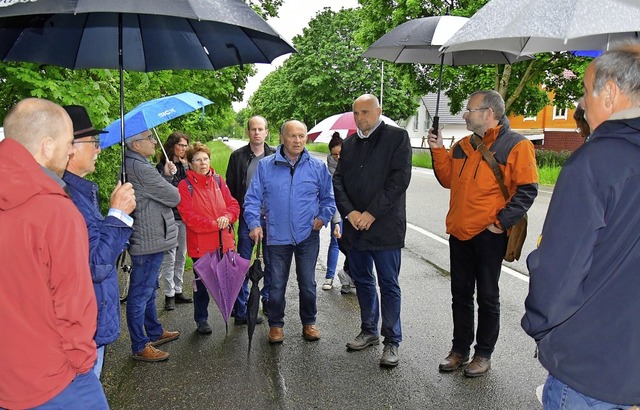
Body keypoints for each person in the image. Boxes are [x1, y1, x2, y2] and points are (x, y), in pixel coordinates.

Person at [522, 43, 640, 409]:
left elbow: (560, 269)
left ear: (609, 92)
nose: (582, 103)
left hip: (588, 370)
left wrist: (539, 326)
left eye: (586, 91)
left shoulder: (593, 163)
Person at [0, 98, 108, 409]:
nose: (70, 151)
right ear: (47, 146)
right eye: (67, 143)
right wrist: (82, 364)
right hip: (55, 381)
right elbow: (74, 304)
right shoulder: (56, 212)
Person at [428, 90, 538, 377]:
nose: (465, 114)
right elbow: (447, 179)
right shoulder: (464, 145)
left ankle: (483, 354)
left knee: (487, 297)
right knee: (460, 294)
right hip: (460, 232)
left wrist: (500, 223)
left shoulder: (517, 145)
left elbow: (527, 190)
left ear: (489, 113)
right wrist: (438, 149)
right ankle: (459, 349)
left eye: (469, 109)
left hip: (490, 234)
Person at [333, 94, 412, 368]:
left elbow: (399, 179)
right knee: (363, 281)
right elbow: (339, 179)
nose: (360, 118)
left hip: (386, 228)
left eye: (365, 112)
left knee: (388, 284)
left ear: (378, 111)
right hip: (356, 229)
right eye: (356, 113)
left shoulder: (397, 138)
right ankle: (369, 330)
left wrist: (371, 213)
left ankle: (392, 340)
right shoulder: (350, 144)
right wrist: (351, 213)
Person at [244, 120, 335, 344]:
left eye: (302, 136)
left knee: (307, 283)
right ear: (282, 138)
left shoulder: (317, 166)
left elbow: (329, 198)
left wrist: (323, 218)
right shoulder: (266, 166)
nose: (297, 140)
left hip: (307, 236)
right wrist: (254, 223)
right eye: (293, 136)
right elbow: (252, 199)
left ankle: (309, 322)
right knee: (275, 285)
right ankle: (276, 325)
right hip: (276, 236)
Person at [62, 105, 135, 378]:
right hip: (84, 326)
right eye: (93, 142)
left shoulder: (79, 191)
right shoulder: (68, 197)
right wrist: (116, 215)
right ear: (69, 147)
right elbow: (96, 265)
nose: (99, 149)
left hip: (91, 319)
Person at [124, 129, 181, 362]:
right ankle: (140, 344)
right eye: (148, 139)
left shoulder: (136, 164)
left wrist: (165, 176)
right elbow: (173, 197)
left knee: (148, 289)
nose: (153, 142)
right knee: (141, 293)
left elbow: (153, 194)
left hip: (150, 236)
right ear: (135, 145)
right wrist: (169, 182)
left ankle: (154, 332)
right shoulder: (141, 167)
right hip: (148, 239)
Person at [177, 142, 240, 334]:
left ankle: (239, 311)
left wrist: (227, 217)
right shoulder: (184, 186)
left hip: (225, 243)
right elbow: (189, 217)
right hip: (201, 246)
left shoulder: (219, 181)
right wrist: (214, 224)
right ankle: (201, 319)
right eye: (197, 159)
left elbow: (234, 205)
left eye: (205, 158)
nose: (203, 163)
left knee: (232, 280)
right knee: (202, 285)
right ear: (190, 163)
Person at [225, 115, 273, 322]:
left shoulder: (276, 155)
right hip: (247, 216)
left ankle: (268, 302)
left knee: (272, 262)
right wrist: (235, 215)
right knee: (243, 262)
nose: (257, 133)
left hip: (272, 218)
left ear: (266, 132)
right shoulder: (237, 157)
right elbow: (231, 188)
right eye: (253, 129)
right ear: (248, 132)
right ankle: (241, 309)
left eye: (260, 129)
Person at [156, 131, 193, 310]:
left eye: (186, 145)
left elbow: (192, 188)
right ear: (172, 146)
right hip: (169, 216)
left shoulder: (187, 166)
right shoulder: (161, 166)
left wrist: (186, 168)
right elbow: (161, 192)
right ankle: (169, 294)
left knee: (181, 255)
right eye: (181, 145)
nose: (184, 149)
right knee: (169, 256)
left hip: (184, 216)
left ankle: (178, 289)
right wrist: (166, 173)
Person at [322, 132, 353, 293]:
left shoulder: (353, 166)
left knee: (353, 245)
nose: (338, 157)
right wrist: (336, 221)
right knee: (335, 241)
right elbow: (332, 198)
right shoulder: (328, 172)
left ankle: (349, 275)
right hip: (338, 212)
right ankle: (329, 276)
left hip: (353, 213)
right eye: (335, 155)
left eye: (341, 154)